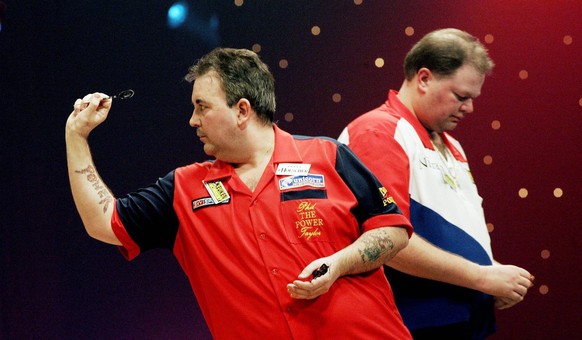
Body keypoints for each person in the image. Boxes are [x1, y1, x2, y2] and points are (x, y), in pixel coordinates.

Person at [65, 47, 414, 339]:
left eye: (202, 106)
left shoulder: (329, 155)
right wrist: (76, 137)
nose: (192, 120)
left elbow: (393, 231)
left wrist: (340, 263)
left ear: (242, 110)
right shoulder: (184, 189)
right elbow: (103, 222)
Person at [338, 28, 534, 339]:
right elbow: (385, 241)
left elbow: (455, 234)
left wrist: (492, 269)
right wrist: (482, 277)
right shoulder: (378, 132)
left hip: (457, 319)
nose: (469, 108)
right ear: (425, 78)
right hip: (410, 322)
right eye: (461, 96)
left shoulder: (451, 145)